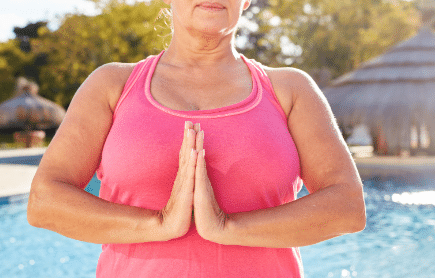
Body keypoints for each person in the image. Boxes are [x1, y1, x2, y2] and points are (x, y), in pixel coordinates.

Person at [27, 0, 367, 276]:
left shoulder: (291, 90)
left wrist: (226, 228)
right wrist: (160, 224)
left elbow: (346, 207)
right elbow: (45, 202)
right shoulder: (111, 86)